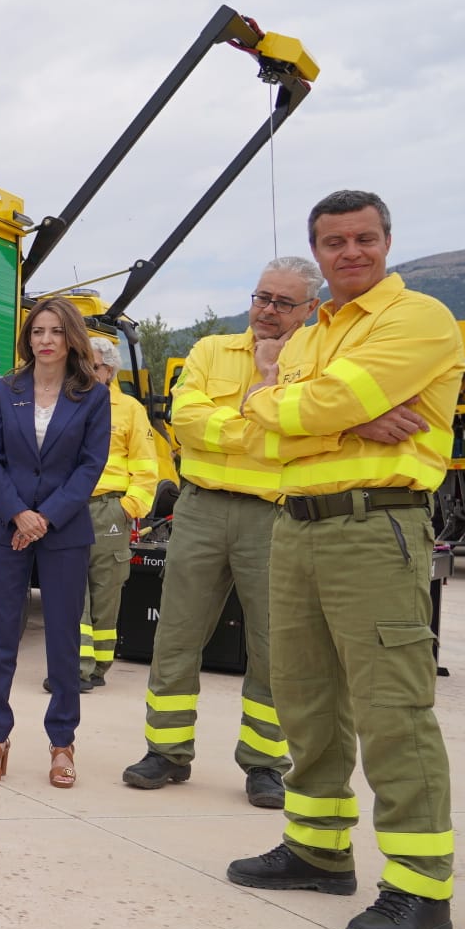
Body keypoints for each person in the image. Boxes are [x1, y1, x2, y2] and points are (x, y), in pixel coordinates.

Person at [226, 190, 463, 929]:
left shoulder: (417, 319)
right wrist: (330, 415)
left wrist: (301, 407)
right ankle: (318, 849)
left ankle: (420, 891)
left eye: (364, 238)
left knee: (392, 706)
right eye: (335, 242)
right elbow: (260, 431)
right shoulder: (310, 333)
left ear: (387, 241)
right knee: (306, 698)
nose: (350, 252)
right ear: (318, 252)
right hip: (296, 528)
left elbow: (292, 408)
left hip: (375, 526)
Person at [121, 258, 318, 805]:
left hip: (275, 516)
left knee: (274, 646)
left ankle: (264, 764)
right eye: (261, 298)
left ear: (310, 310)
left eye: (283, 302)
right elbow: (185, 421)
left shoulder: (317, 362)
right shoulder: (211, 351)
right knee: (176, 636)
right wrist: (264, 420)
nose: (268, 311)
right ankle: (166, 752)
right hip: (201, 509)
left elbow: (306, 434)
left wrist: (232, 426)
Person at [0, 297, 110, 789]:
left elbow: (90, 467)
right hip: (6, 527)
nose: (45, 340)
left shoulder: (91, 395)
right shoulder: (2, 391)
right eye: (37, 332)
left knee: (62, 642)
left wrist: (45, 518)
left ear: (71, 337)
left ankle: (62, 743)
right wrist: (19, 514)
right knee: (2, 637)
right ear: (28, 339)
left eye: (55, 331)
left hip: (64, 532)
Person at [74, 334, 159, 692]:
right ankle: (75, 667)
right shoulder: (68, 402)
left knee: (106, 592)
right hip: (71, 509)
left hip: (110, 510)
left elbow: (147, 468)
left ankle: (99, 666)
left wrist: (128, 509)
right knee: (72, 594)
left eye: (93, 366)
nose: (86, 372)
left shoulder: (130, 410)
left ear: (109, 370)